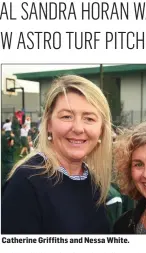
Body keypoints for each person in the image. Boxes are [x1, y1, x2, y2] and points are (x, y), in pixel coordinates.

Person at [1, 75, 113, 234]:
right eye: (67, 116)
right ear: (48, 124)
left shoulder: (94, 182)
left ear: (101, 130)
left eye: (89, 118)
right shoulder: (27, 183)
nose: (78, 128)